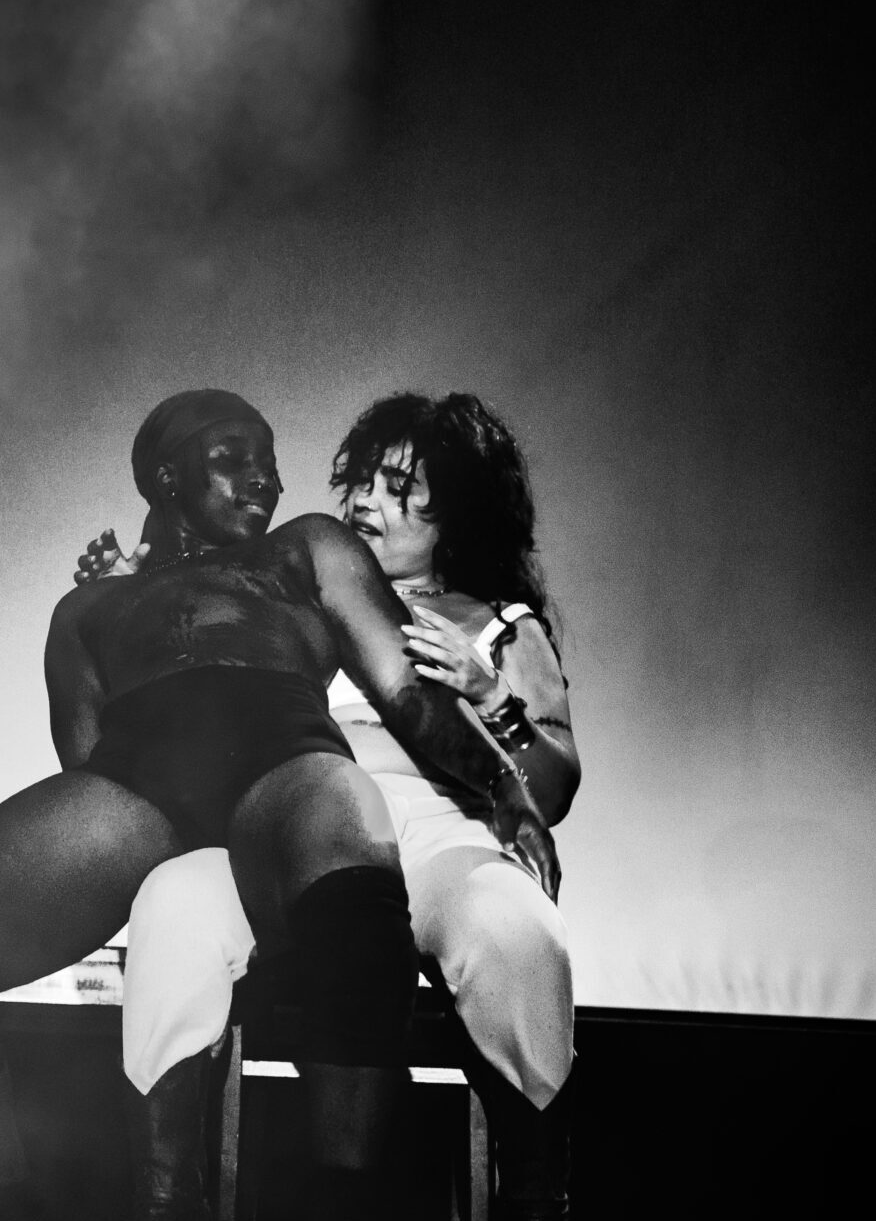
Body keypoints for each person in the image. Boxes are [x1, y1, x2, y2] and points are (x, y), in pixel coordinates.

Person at [0, 389, 557, 1221]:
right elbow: (83, 753)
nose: (264, 478)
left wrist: (506, 791)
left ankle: (344, 1198)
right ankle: (3, 1197)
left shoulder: (306, 547)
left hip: (282, 761)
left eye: (271, 462)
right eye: (234, 458)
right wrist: (138, 597)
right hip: (140, 786)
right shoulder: (86, 608)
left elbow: (404, 690)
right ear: (167, 476)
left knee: (357, 898)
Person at [81, 393, 579, 1221]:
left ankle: (536, 1196)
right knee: (172, 903)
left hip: (441, 832)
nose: (366, 504)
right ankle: (168, 1198)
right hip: (292, 823)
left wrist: (490, 694)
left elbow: (553, 787)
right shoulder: (289, 595)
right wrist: (141, 601)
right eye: (361, 483)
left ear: (457, 510)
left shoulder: (498, 622)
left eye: (398, 489)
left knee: (514, 930)